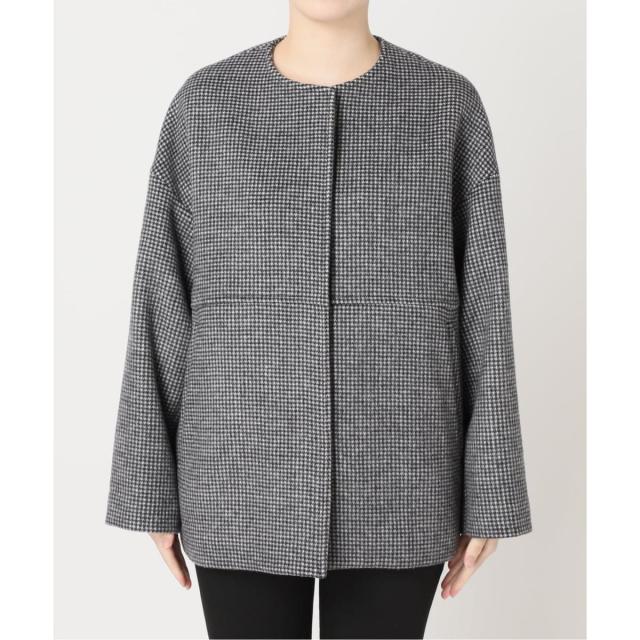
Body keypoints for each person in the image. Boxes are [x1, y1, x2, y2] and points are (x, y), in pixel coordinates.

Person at [105, 1, 532, 638]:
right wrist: (147, 485)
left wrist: (492, 490)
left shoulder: (447, 105)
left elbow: (485, 308)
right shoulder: (205, 105)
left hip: (402, 479)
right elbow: (161, 300)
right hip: (236, 478)